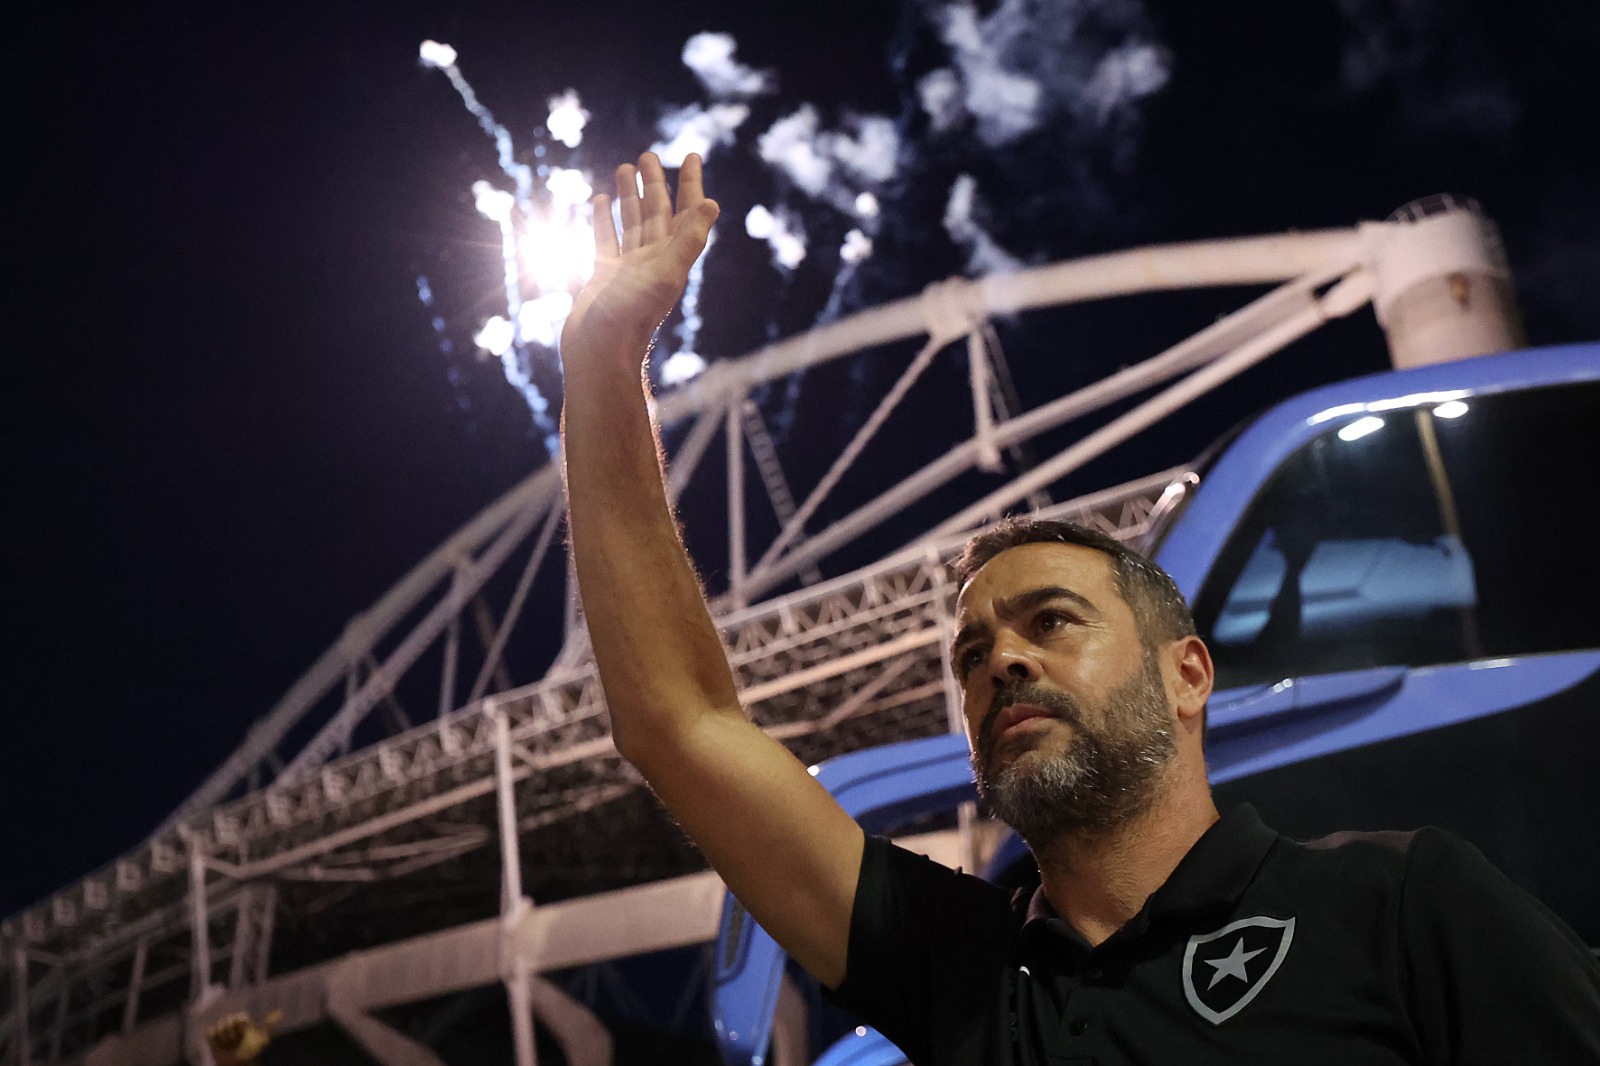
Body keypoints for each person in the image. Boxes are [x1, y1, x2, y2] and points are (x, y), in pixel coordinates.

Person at [559, 152, 1600, 1064]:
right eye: (970, 654)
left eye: (1050, 621)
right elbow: (678, 722)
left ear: (1186, 672)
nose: (1000, 660)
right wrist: (604, 366)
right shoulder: (962, 969)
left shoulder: (1405, 904)